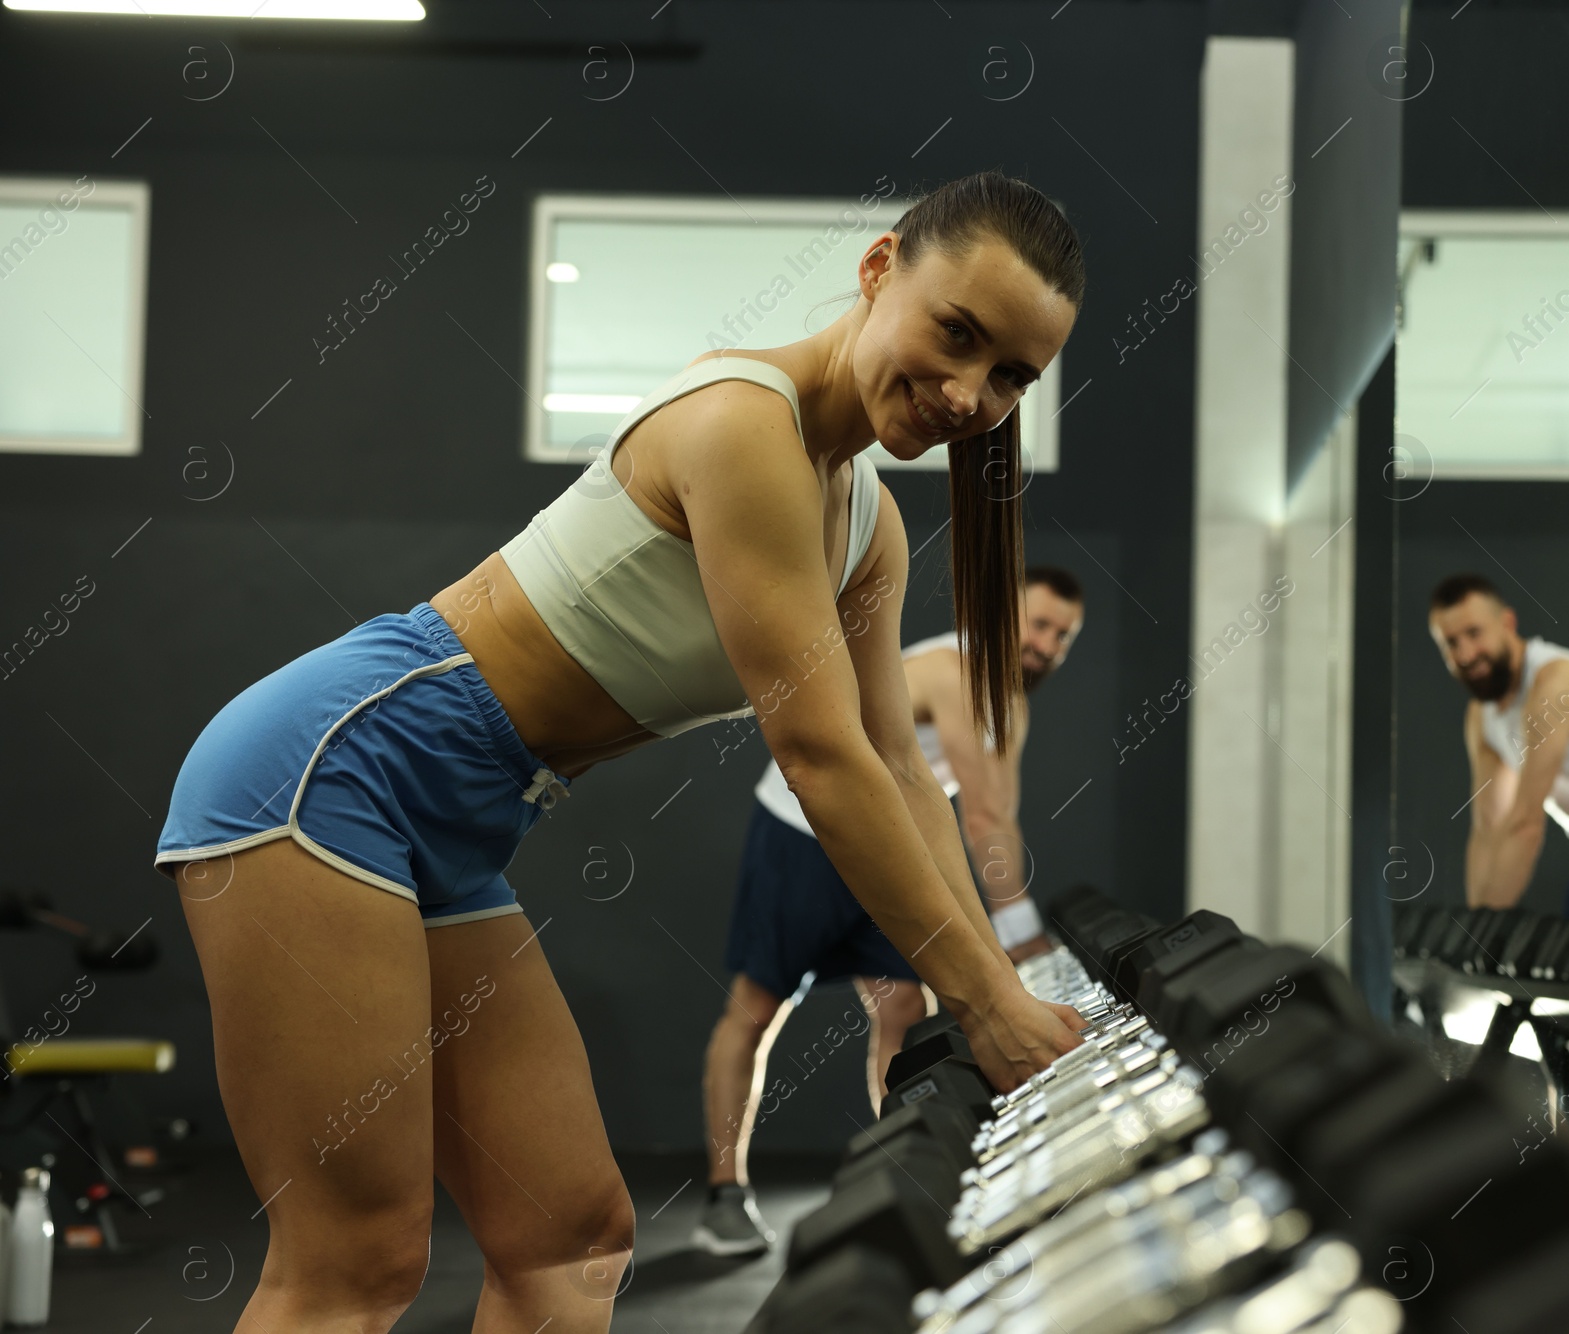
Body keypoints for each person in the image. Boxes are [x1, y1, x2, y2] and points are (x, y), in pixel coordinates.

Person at [153, 170, 1088, 1333]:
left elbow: (900, 764)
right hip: (332, 768)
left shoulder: (866, 522)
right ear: (878, 266)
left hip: (460, 821)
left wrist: (1002, 981)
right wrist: (983, 1000)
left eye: (1011, 375)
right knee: (354, 1259)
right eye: (958, 332)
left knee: (568, 1239)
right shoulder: (745, 425)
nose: (967, 392)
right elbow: (819, 755)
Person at [695, 568, 1084, 1255]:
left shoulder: (1007, 701)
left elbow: (994, 816)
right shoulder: (958, 673)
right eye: (1038, 623)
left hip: (889, 848)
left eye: (1062, 635)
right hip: (804, 833)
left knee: (906, 1011)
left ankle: (898, 1176)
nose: (1047, 644)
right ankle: (725, 1193)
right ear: (1001, 612)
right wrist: (1020, 943)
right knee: (757, 1010)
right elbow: (986, 821)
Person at [1428, 573, 1569, 919]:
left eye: (1474, 634)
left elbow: (1525, 824)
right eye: (1451, 643)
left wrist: (1482, 941)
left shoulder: (1558, 684)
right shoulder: (1482, 716)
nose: (1466, 654)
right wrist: (1476, 927)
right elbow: (1490, 829)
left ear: (1507, 623)